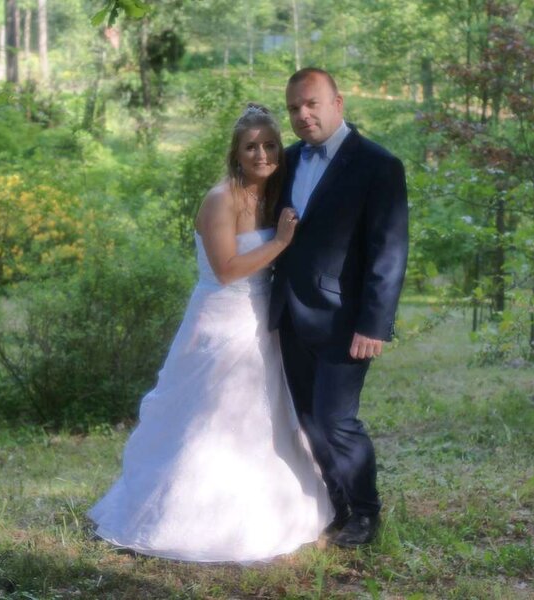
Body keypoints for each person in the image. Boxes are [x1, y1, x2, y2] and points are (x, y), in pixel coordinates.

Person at [88, 103, 333, 563]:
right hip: (221, 320)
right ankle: (183, 518)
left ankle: (268, 513)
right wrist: (281, 242)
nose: (261, 154)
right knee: (208, 418)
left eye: (270, 145)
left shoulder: (272, 197)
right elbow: (226, 269)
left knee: (260, 418)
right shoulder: (222, 198)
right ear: (236, 153)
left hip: (262, 320)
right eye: (250, 147)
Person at [269, 68, 409, 548]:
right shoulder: (286, 161)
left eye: (311, 103)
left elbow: (388, 252)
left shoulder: (378, 165)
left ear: (338, 103)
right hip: (289, 316)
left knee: (336, 421)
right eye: (294, 108)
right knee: (309, 420)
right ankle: (338, 505)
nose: (302, 115)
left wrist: (376, 324)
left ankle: (367, 512)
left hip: (345, 322)